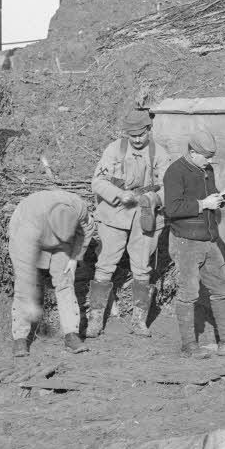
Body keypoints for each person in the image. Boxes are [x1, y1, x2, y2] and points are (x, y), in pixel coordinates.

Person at [87, 108, 170, 338]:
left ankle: (139, 321)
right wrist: (118, 194)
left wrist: (154, 198)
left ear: (149, 130)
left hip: (145, 215)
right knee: (105, 264)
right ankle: (95, 320)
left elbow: (169, 188)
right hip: (114, 213)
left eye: (141, 135)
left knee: (142, 266)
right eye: (132, 135)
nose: (137, 139)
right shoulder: (114, 150)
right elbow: (98, 182)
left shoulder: (160, 154)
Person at [162, 129, 225, 358]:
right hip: (186, 242)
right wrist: (203, 204)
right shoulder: (175, 172)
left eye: (212, 156)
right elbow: (172, 208)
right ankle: (189, 346)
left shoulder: (206, 169)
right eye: (206, 156)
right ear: (192, 152)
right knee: (189, 293)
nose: (210, 161)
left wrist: (222, 197)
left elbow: (210, 195)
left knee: (221, 289)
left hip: (209, 240)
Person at [8, 188, 93, 357]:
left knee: (65, 282)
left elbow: (88, 228)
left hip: (62, 243)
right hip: (29, 237)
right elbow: (25, 271)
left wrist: (75, 257)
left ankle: (71, 335)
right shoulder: (29, 224)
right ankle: (20, 338)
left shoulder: (77, 208)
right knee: (24, 286)